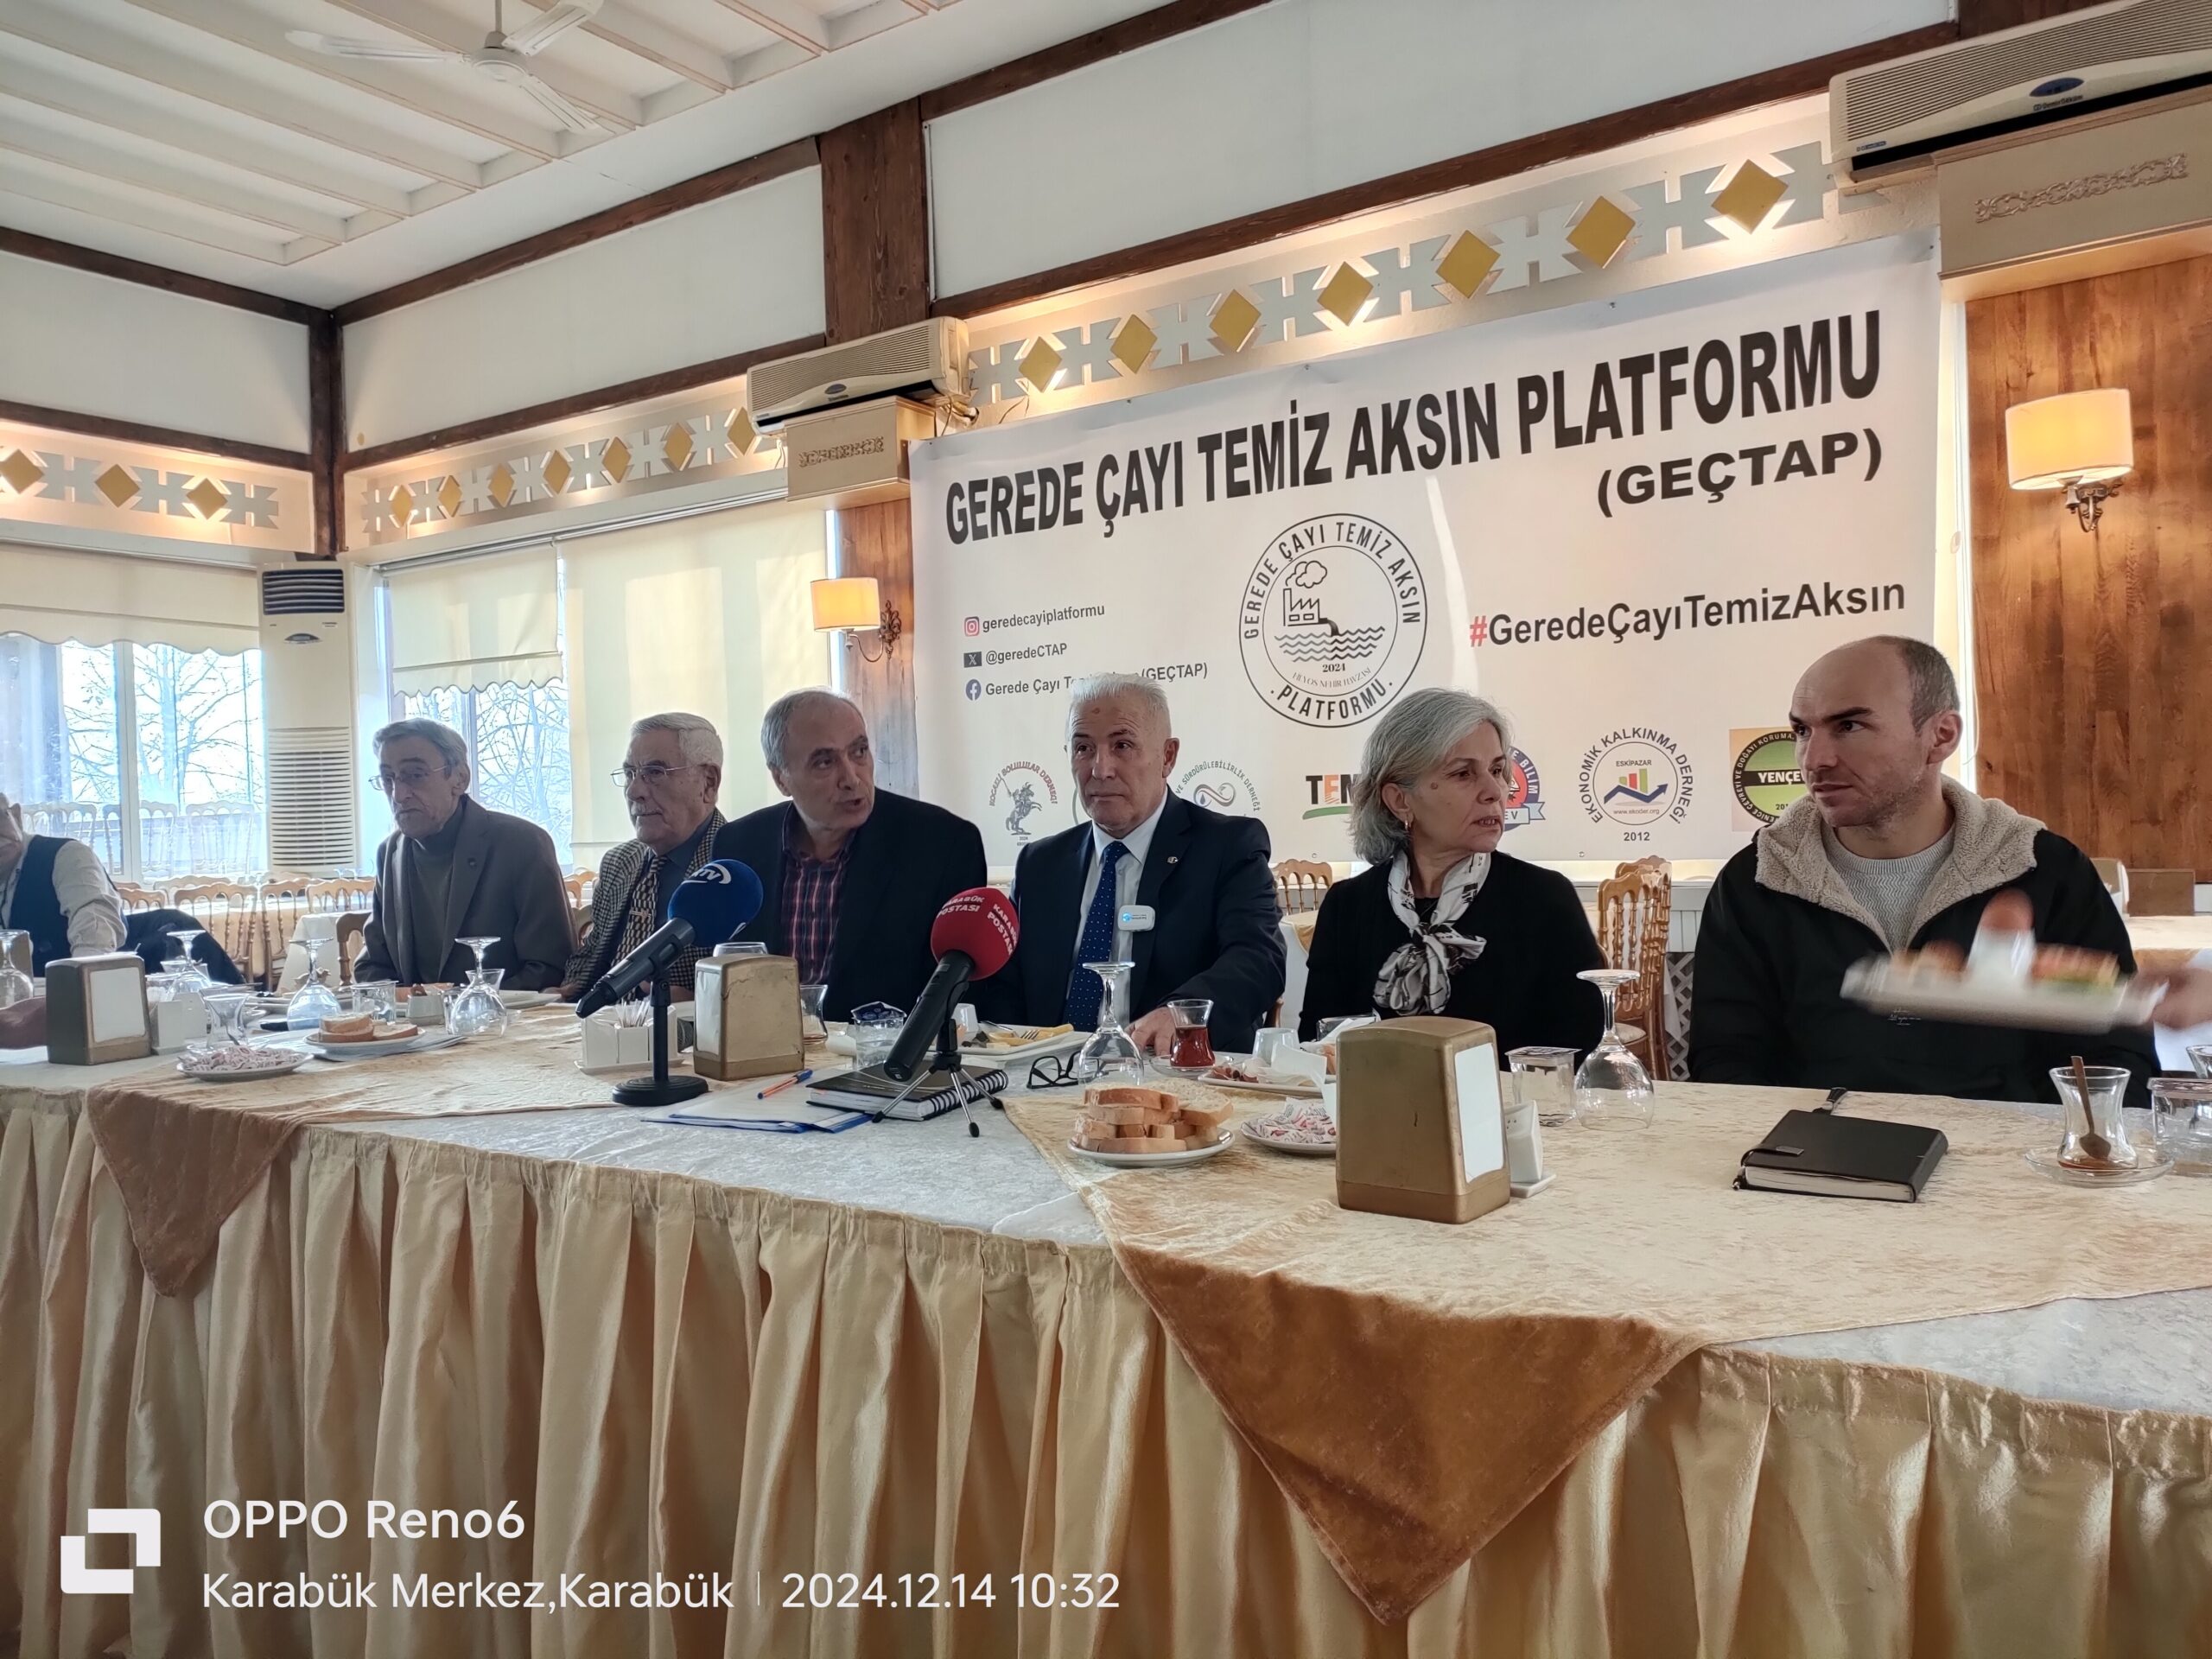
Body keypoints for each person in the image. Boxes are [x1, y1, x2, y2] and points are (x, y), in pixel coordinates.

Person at [1691, 635, 2157, 1103]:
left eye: (1849, 726)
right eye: (1802, 731)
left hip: (2008, 1142)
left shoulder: (2043, 868)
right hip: (1817, 1139)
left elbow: (2117, 1061)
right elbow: (1725, 1063)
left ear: (1941, 736)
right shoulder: (1758, 879)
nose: (1815, 760)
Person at [976, 674, 1285, 1054]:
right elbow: (1006, 991)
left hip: (1171, 1070)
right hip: (1047, 1072)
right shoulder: (1040, 864)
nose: (1100, 769)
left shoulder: (1227, 846)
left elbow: (1258, 959)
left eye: (1122, 745)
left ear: (1168, 757)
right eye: (1083, 748)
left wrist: (1181, 1015)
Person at [1299, 688, 1604, 1052]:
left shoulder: (1545, 898)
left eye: (1497, 770)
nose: (1494, 791)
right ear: (1400, 800)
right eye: (1463, 774)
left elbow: (1583, 1051)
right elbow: (1319, 1046)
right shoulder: (1347, 907)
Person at [718, 689, 986, 1020]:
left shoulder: (941, 843)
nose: (851, 778)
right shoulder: (739, 845)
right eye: (825, 762)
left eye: (859, 751)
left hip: (885, 1049)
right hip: (763, 1045)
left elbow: (965, 995)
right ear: (781, 779)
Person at [354, 718, 572, 991]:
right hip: (414, 1017)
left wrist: (465, 1004)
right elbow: (371, 967)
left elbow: (549, 969)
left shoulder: (521, 844)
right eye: (388, 779)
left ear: (459, 779)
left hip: (506, 1015)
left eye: (415, 775)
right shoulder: (390, 853)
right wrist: (416, 1003)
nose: (398, 795)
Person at [563, 713, 738, 1001]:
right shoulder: (619, 862)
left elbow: (755, 985)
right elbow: (589, 960)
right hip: (599, 1022)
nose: (634, 791)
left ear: (708, 783)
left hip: (686, 1027)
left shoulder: (740, 866)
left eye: (655, 773)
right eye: (630, 774)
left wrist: (699, 1002)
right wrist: (560, 995)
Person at [0, 792, 126, 973]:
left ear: (16, 815)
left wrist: (80, 979)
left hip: (81, 985)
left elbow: (95, 927)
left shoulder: (67, 856)